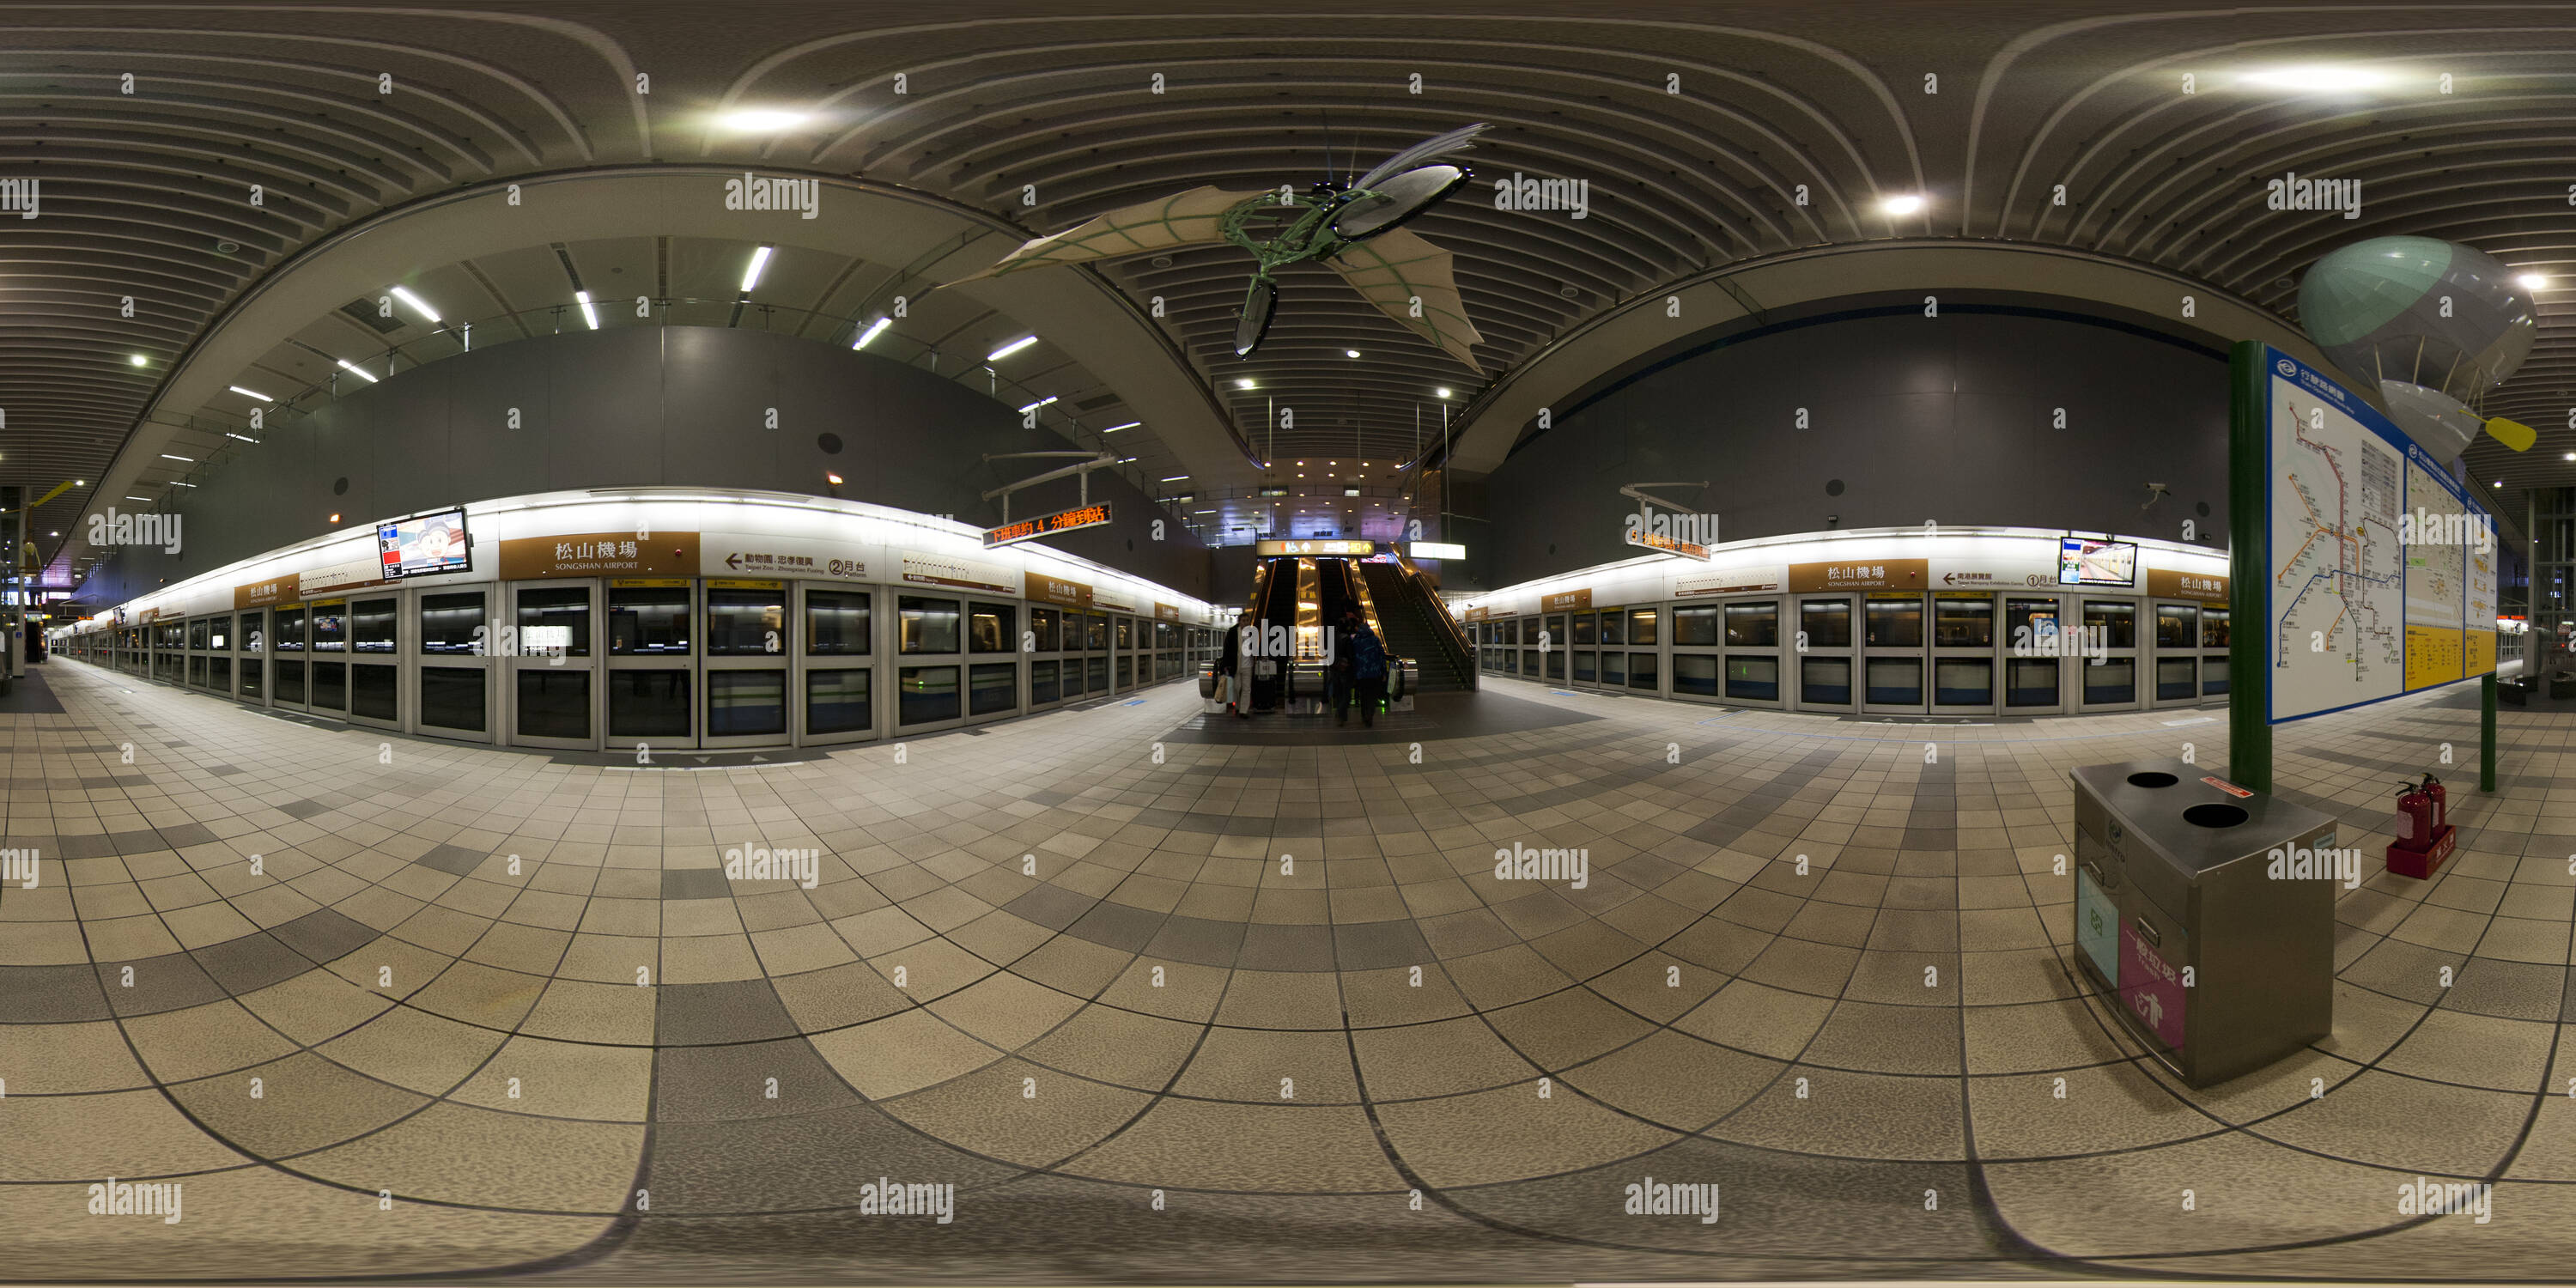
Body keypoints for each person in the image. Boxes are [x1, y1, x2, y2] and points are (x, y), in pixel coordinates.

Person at [1335, 610, 1388, 728]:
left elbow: (1353, 657)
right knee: (1372, 696)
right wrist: (1384, 671)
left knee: (1364, 696)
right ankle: (1369, 715)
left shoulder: (1356, 641)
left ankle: (1364, 716)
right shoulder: (1375, 640)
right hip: (1375, 674)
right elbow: (1381, 656)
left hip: (1361, 674)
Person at [1217, 619, 1248, 718]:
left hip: (1248, 665)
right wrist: (1226, 664)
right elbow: (1227, 649)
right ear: (1240, 622)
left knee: (1247, 689)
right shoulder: (1232, 632)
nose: (1246, 622)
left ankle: (1244, 711)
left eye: (1247, 621)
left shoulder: (1251, 632)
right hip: (1236, 666)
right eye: (1244, 620)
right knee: (1236, 687)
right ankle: (1238, 706)